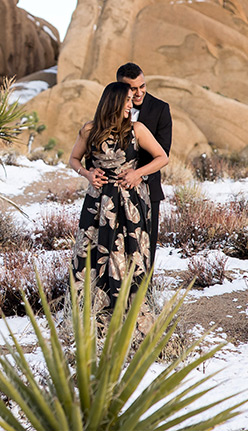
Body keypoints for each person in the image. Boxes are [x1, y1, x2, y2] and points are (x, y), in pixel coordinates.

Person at [67, 81, 168, 311]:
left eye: (131, 102)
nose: (130, 106)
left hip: (129, 203)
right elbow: (73, 159)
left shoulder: (137, 129)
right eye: (127, 101)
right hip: (98, 202)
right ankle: (90, 310)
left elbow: (162, 157)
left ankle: (127, 311)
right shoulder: (89, 130)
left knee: (128, 254)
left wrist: (137, 174)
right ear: (113, 102)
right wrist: (87, 173)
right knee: (91, 251)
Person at [115, 62, 172, 270]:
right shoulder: (109, 109)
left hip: (148, 189)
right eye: (133, 88)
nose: (139, 93)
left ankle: (145, 298)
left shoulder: (160, 109)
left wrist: (138, 174)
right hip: (114, 192)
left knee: (145, 251)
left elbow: (163, 153)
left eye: (142, 86)